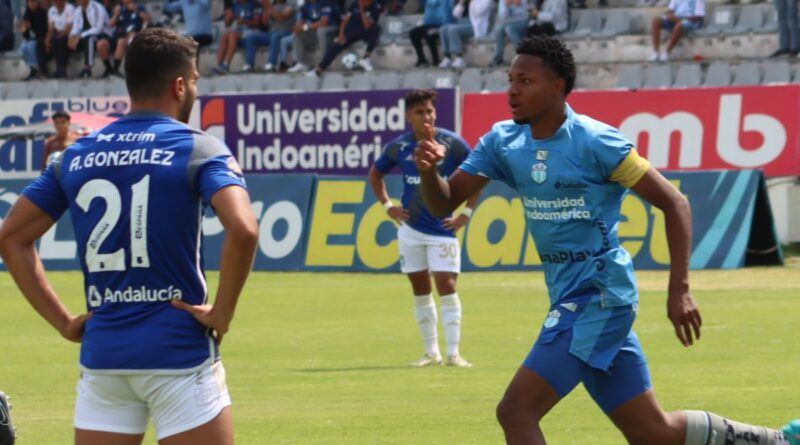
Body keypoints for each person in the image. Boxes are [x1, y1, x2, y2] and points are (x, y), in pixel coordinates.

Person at [414, 35, 800, 445]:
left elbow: (675, 203)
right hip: (571, 296)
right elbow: (444, 204)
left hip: (599, 296)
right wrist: (427, 172)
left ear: (558, 86)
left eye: (525, 81)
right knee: (655, 433)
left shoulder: (596, 141)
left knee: (516, 410)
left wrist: (680, 291)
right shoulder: (503, 141)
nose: (511, 90)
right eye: (510, 79)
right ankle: (780, 440)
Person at [0, 28, 258, 445]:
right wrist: (221, 313)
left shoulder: (76, 155)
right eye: (194, 79)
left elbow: (10, 237)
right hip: (178, 354)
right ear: (179, 85)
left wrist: (66, 323)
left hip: (105, 359)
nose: (194, 87)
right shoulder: (200, 148)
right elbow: (244, 229)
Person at [368, 89, 478, 368]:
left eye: (429, 111)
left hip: (442, 228)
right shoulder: (399, 147)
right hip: (410, 229)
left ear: (435, 113)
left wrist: (466, 212)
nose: (426, 116)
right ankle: (432, 353)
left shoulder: (451, 144)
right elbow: (376, 173)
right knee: (420, 288)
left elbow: (479, 172)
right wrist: (387, 206)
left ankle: (454, 353)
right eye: (419, 112)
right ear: (408, 116)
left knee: (447, 285)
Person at [306, 0, 381, 77]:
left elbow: (367, 25)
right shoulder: (354, 4)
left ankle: (366, 58)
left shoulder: (375, 7)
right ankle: (319, 69)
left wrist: (361, 9)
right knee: (336, 46)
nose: (361, 2)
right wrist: (341, 34)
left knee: (376, 30)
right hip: (351, 31)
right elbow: (344, 21)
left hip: (364, 32)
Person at [287, 0, 341, 73]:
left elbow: (324, 22)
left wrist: (305, 27)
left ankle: (324, 63)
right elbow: (300, 23)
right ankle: (302, 63)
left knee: (321, 31)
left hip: (334, 29)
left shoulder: (325, 2)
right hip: (316, 30)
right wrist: (297, 27)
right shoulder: (306, 4)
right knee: (298, 33)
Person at [211, 0, 264, 74]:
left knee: (233, 35)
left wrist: (245, 21)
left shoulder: (255, 4)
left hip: (252, 32)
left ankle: (226, 65)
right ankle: (219, 65)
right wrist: (228, 18)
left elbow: (258, 22)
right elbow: (227, 24)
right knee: (226, 35)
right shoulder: (235, 5)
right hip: (239, 31)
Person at [438, 0, 492, 69]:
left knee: (452, 30)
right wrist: (461, 3)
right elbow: (455, 14)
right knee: (443, 29)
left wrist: (472, 1)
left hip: (475, 26)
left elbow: (479, 11)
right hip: (463, 23)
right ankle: (447, 57)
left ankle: (459, 58)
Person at [68, 0, 114, 78]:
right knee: (68, 41)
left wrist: (80, 36)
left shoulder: (97, 8)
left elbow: (98, 28)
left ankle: (87, 68)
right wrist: (71, 36)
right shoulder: (78, 10)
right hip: (86, 36)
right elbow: (76, 27)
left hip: (104, 34)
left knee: (90, 39)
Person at [108, 0, 151, 76]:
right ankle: (115, 69)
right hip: (122, 34)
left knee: (133, 38)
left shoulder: (139, 6)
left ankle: (136, 68)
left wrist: (136, 10)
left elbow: (148, 19)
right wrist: (116, 15)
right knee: (121, 42)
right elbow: (110, 24)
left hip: (136, 33)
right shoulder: (119, 8)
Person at [408, 0, 453, 67]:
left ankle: (436, 60)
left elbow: (449, 10)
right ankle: (422, 59)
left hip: (442, 25)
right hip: (428, 24)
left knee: (429, 33)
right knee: (413, 33)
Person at [490, 0, 530, 67]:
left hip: (523, 23)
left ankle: (521, 56)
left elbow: (524, 16)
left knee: (509, 29)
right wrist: (507, 6)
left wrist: (517, 4)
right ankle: (498, 59)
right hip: (508, 23)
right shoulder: (502, 1)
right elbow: (502, 16)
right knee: (498, 30)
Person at [19, 0, 49, 80]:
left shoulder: (42, 13)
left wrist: (32, 28)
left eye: (34, 2)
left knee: (32, 45)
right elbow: (26, 36)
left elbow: (43, 31)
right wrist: (25, 29)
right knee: (23, 46)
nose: (31, 4)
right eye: (29, 2)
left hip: (41, 37)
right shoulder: (27, 14)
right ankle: (30, 68)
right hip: (32, 38)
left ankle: (36, 68)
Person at [263, 0, 295, 71]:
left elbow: (282, 17)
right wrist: (266, 9)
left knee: (275, 36)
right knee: (251, 37)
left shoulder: (291, 4)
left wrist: (270, 7)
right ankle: (248, 65)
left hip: (286, 31)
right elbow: (264, 22)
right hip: (271, 32)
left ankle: (271, 63)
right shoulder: (272, 5)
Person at [46, 0, 75, 78]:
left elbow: (69, 27)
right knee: (42, 43)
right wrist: (47, 40)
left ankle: (61, 69)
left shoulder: (70, 8)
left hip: (70, 35)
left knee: (59, 41)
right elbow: (51, 28)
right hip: (57, 34)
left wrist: (60, 35)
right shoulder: (51, 10)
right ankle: (43, 72)